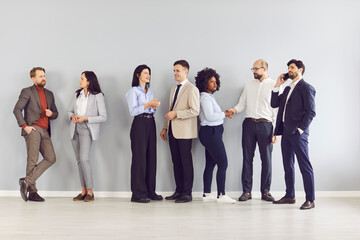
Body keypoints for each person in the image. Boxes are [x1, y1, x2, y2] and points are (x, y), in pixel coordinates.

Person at [227, 59, 279, 202]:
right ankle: (246, 192)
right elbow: (242, 103)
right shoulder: (249, 85)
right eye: (253, 69)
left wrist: (276, 132)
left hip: (266, 125)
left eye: (256, 69)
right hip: (249, 124)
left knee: (266, 160)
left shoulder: (275, 85)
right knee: (247, 158)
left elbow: (277, 109)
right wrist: (234, 110)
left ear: (265, 69)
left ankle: (265, 192)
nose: (254, 71)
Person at [271, 59, 316, 210]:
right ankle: (290, 195)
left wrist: (300, 130)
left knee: (305, 166)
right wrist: (278, 84)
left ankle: (310, 199)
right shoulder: (288, 88)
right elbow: (274, 103)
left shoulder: (306, 88)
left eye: (292, 67)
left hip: (298, 134)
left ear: (300, 70)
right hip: (285, 132)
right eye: (288, 68)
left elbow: (311, 112)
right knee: (288, 166)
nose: (289, 70)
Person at [13, 67, 58, 202]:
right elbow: (16, 109)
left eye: (44, 76)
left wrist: (52, 114)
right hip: (33, 129)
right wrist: (25, 126)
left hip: (45, 131)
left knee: (51, 158)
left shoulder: (49, 94)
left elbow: (56, 113)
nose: (43, 78)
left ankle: (26, 181)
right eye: (40, 76)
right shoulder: (27, 91)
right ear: (33, 79)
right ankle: (32, 193)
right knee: (32, 160)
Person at [160, 60, 200, 203]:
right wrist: (165, 127)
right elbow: (170, 110)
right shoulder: (173, 89)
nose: (175, 73)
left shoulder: (192, 89)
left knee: (186, 162)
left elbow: (195, 110)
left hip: (185, 131)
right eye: (174, 71)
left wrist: (177, 113)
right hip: (172, 130)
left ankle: (187, 193)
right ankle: (178, 191)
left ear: (186, 71)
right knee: (176, 162)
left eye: (178, 70)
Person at [195, 68, 236, 204]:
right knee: (223, 163)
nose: (215, 84)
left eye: (215, 81)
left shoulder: (209, 97)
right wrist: (224, 114)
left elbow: (214, 116)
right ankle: (222, 195)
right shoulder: (205, 98)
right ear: (204, 83)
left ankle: (207, 194)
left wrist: (224, 114)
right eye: (211, 82)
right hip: (210, 132)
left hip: (212, 132)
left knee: (211, 163)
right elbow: (210, 116)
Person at [67, 71, 107, 202]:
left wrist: (86, 118)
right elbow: (69, 110)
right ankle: (83, 191)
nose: (80, 81)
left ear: (89, 81)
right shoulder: (77, 94)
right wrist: (72, 116)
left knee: (84, 159)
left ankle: (90, 191)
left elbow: (103, 117)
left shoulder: (98, 96)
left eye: (82, 78)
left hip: (86, 128)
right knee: (79, 161)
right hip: (75, 128)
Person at [126, 64, 162, 203]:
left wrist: (153, 107)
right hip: (139, 124)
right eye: (145, 73)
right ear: (138, 75)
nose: (148, 75)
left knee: (151, 157)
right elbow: (133, 111)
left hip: (150, 123)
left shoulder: (150, 91)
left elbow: (151, 111)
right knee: (139, 159)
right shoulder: (133, 91)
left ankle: (150, 191)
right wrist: (148, 105)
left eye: (149, 73)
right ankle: (138, 194)